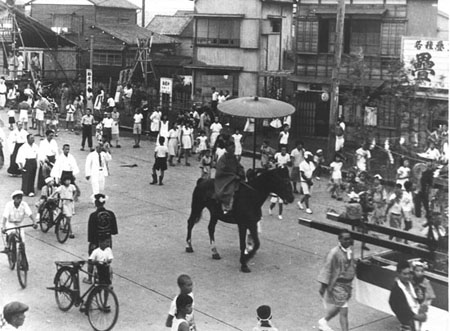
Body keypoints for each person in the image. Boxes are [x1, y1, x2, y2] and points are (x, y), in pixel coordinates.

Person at [317, 229, 355, 331]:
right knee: (344, 311)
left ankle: (324, 321)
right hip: (338, 285)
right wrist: (323, 287)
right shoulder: (334, 253)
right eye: (345, 239)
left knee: (339, 306)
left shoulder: (350, 250)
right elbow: (327, 269)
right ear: (340, 239)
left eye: (349, 239)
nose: (348, 241)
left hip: (348, 285)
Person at [83, 193, 118, 284]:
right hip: (107, 240)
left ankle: (90, 279)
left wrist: (92, 242)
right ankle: (106, 278)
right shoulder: (111, 214)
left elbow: (91, 232)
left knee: (92, 259)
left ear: (95, 203)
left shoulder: (93, 215)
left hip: (96, 241)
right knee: (106, 259)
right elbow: (114, 231)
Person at [389, 260, 427, 331]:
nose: (407, 276)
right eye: (404, 274)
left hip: (418, 319)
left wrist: (420, 297)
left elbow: (418, 299)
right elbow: (397, 307)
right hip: (409, 323)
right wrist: (415, 317)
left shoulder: (411, 283)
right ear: (398, 273)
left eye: (409, 273)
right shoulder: (396, 290)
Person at [214, 139, 245, 214]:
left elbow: (238, 166)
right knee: (229, 191)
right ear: (227, 149)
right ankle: (226, 207)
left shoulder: (234, 158)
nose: (233, 149)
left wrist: (241, 171)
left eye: (234, 147)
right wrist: (233, 176)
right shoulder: (223, 158)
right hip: (225, 179)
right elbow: (221, 170)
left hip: (234, 178)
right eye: (232, 148)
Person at [411, 260, 435, 331]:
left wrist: (426, 303)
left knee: (419, 320)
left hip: (422, 304)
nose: (419, 273)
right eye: (417, 271)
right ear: (413, 271)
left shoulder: (425, 282)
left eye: (421, 271)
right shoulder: (411, 280)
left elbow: (431, 295)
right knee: (411, 318)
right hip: (412, 302)